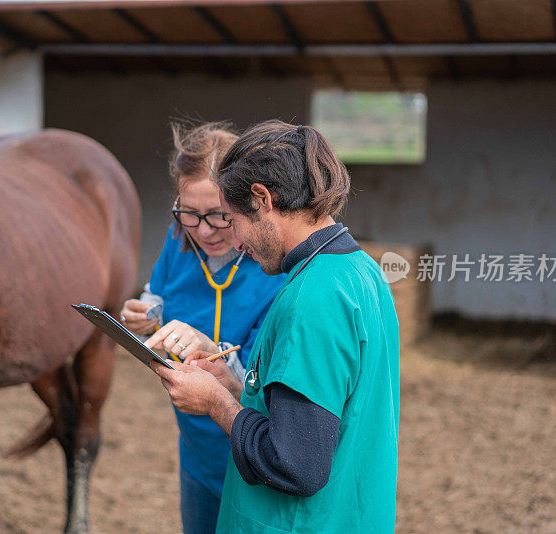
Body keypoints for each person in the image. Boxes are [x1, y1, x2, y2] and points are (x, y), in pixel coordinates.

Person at [152, 120, 400, 533]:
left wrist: (217, 403)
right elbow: (321, 411)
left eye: (229, 219)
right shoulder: (360, 271)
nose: (234, 241)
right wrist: (235, 386)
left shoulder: (312, 298)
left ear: (262, 199)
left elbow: (295, 465)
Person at [118, 122, 285, 534]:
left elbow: (270, 376)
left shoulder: (273, 268)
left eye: (219, 216)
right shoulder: (179, 245)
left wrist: (213, 348)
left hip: (249, 449)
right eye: (189, 213)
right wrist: (146, 316)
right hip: (195, 448)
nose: (204, 230)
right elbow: (158, 293)